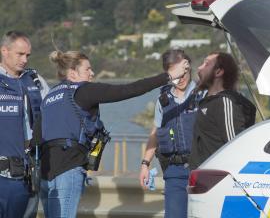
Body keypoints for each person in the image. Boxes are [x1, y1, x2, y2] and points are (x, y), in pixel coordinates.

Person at [36, 49, 189, 218]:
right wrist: (168, 76)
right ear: (72, 73)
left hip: (45, 173)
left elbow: (36, 135)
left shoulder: (49, 96)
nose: (92, 73)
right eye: (87, 69)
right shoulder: (84, 90)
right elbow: (129, 89)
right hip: (68, 169)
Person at [139, 50, 204, 218]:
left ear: (189, 69)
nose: (181, 78)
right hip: (174, 171)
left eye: (184, 73)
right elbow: (155, 132)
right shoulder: (163, 99)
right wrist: (145, 163)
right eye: (176, 74)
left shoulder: (204, 94)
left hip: (202, 168)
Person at [0, 30, 49, 218]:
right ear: (4, 51)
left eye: (27, 55)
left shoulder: (36, 81)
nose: (25, 60)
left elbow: (55, 112)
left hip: (29, 174)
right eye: (20, 54)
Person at [189, 51, 256, 170]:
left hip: (217, 180)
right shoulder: (208, 101)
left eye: (206, 64)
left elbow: (235, 146)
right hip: (201, 179)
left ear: (218, 72)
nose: (199, 67)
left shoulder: (225, 102)